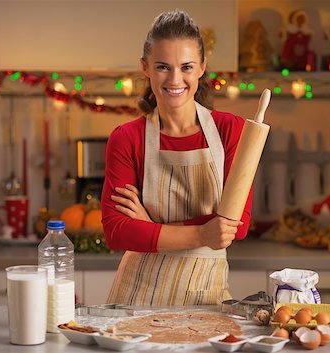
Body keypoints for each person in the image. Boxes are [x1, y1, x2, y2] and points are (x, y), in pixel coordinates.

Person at [101, 10, 252, 306]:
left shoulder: (230, 130)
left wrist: (152, 228)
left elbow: (236, 224)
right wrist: (202, 233)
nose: (175, 79)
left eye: (186, 66)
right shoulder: (127, 138)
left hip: (206, 299)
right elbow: (117, 231)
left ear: (202, 67)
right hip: (137, 300)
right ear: (145, 67)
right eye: (162, 66)